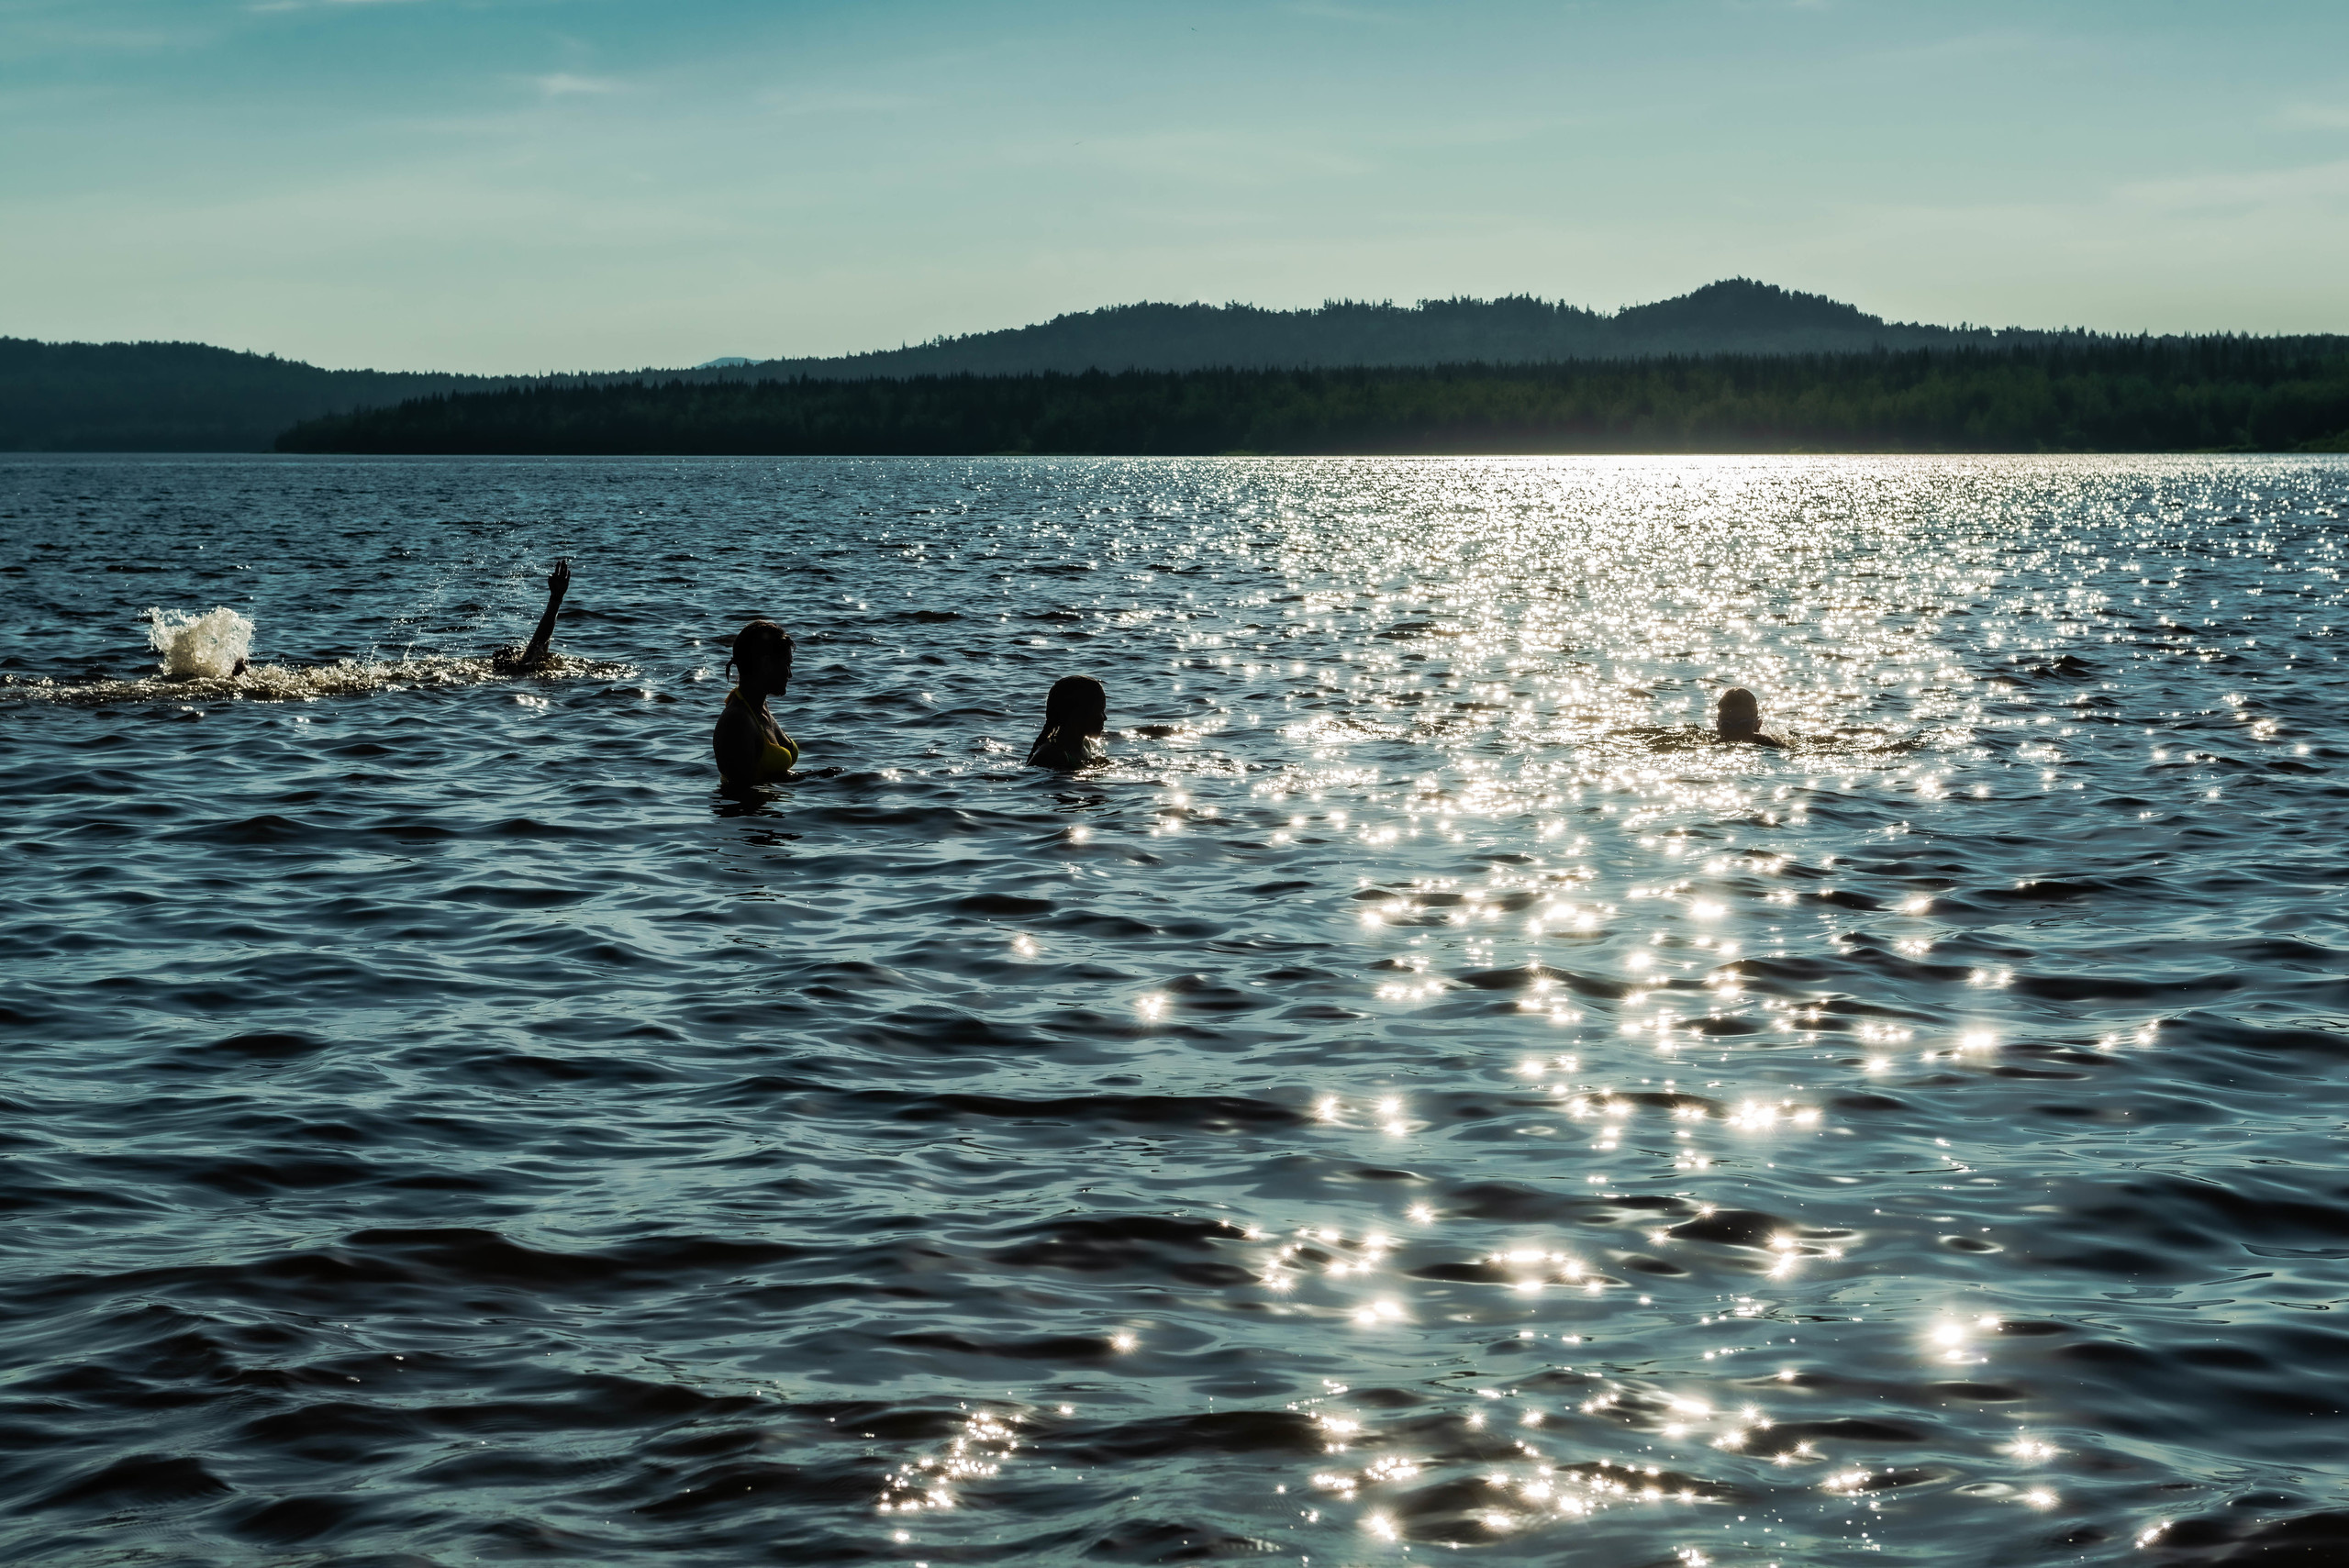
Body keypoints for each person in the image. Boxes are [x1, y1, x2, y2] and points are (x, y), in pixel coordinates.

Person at [714, 618, 800, 786]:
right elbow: (742, 788)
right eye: (787, 665)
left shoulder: (759, 707)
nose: (790, 675)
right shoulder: (737, 721)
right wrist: (811, 778)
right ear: (766, 663)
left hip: (770, 809)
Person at [492, 560, 571, 673]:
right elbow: (540, 640)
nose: (507, 646)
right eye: (507, 652)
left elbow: (540, 642)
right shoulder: (525, 666)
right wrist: (556, 598)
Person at [1028, 675, 1107, 769]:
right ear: (1079, 713)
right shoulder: (1052, 755)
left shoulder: (1085, 745)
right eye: (1100, 710)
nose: (1104, 718)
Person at [1715, 685, 1783, 747]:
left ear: (1757, 725)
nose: (1735, 731)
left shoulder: (1769, 744)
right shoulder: (1713, 745)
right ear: (1718, 726)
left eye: (1743, 725)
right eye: (1726, 725)